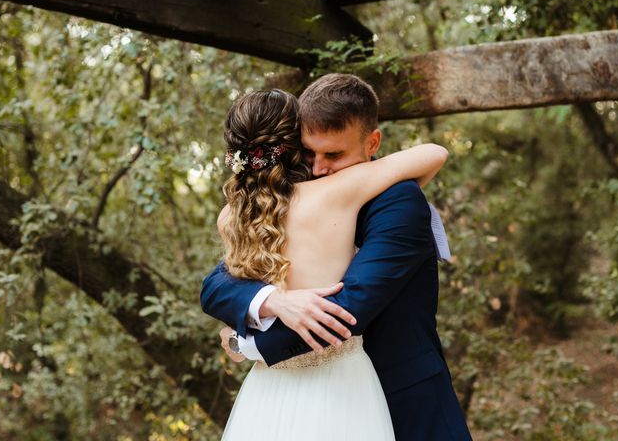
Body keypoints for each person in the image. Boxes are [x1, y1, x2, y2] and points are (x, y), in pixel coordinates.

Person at [202, 74, 473, 441]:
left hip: (404, 399)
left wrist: (246, 344)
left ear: (372, 142)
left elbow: (348, 308)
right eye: (309, 153)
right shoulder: (284, 208)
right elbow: (218, 283)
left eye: (333, 155)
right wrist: (271, 301)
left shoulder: (399, 200)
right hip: (321, 394)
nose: (317, 168)